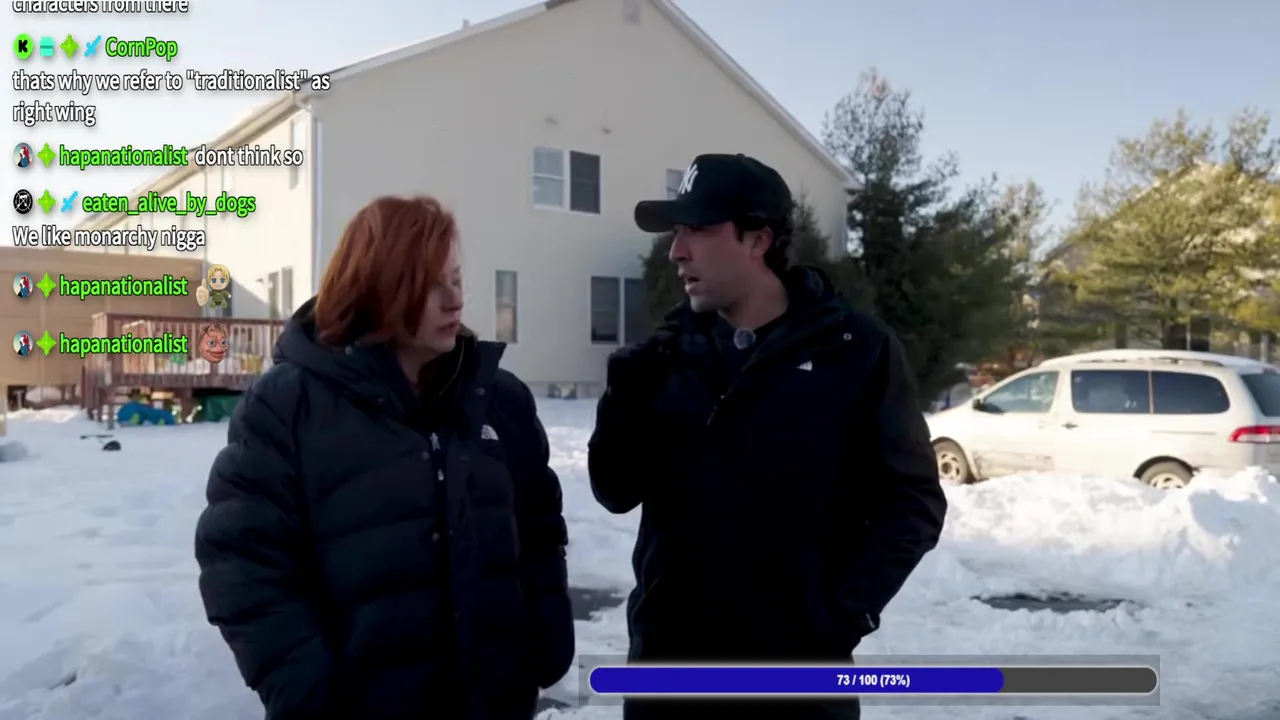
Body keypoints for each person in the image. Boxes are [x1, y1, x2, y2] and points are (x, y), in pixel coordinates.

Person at [588, 154, 948, 719]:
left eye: (697, 229)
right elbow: (614, 490)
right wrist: (623, 396)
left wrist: (839, 614)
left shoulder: (855, 351)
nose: (677, 250)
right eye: (676, 232)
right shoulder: (664, 356)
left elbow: (913, 500)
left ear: (758, 240)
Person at [195, 195, 574, 720]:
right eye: (431, 285)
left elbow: (538, 525)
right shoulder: (286, 407)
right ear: (376, 287)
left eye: (457, 280)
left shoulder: (498, 399)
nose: (455, 301)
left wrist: (547, 631)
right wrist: (309, 693)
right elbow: (243, 566)